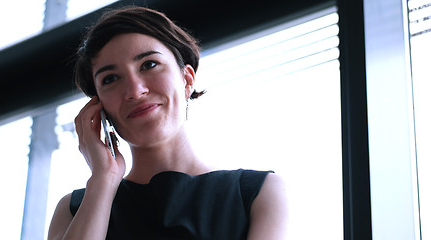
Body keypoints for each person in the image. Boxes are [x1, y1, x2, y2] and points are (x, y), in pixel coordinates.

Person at [47, 6, 287, 240]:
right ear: (98, 107)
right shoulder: (74, 209)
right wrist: (103, 179)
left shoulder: (258, 193)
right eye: (110, 79)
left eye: (149, 64)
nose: (135, 90)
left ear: (186, 79)